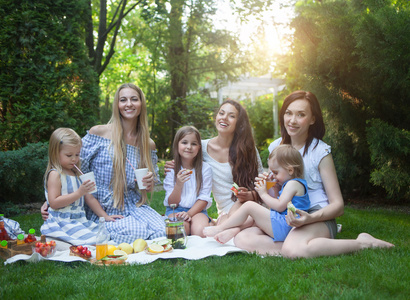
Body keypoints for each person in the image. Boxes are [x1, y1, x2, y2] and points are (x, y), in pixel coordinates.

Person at [234, 91, 394, 258]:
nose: (292, 120)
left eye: (301, 115)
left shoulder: (320, 151)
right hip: (286, 217)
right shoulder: (276, 147)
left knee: (293, 250)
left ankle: (363, 243)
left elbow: (338, 205)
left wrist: (309, 219)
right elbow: (276, 188)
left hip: (316, 216)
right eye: (288, 113)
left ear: (312, 119)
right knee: (243, 238)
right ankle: (303, 244)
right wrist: (267, 183)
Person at [42, 83, 166, 244]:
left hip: (132, 205)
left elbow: (146, 190)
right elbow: (72, 166)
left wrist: (148, 184)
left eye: (134, 99)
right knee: (137, 231)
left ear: (141, 104)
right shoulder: (98, 133)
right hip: (100, 206)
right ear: (117, 105)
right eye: (123, 100)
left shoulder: (147, 144)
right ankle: (99, 231)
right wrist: (50, 200)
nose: (129, 104)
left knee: (162, 231)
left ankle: (125, 233)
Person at [166, 100, 264, 231]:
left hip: (248, 206)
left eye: (231, 115)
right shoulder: (201, 148)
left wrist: (250, 195)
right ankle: (221, 226)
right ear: (216, 117)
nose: (224, 117)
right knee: (235, 230)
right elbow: (184, 156)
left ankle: (220, 226)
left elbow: (264, 186)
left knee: (246, 228)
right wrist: (174, 164)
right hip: (225, 212)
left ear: (239, 123)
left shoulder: (248, 150)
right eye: (221, 113)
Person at [204, 144, 310, 243]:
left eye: (275, 172)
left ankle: (219, 228)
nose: (272, 175)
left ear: (290, 170)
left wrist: (263, 193)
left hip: (287, 226)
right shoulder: (290, 184)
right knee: (252, 221)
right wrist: (274, 186)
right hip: (285, 226)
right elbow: (279, 202)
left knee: (249, 206)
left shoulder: (293, 184)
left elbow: (279, 206)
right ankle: (235, 230)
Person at [40, 128, 122, 245]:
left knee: (103, 236)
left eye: (77, 154)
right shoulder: (55, 174)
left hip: (79, 220)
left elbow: (90, 198)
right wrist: (79, 193)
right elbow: (54, 202)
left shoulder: (77, 173)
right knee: (93, 241)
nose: (74, 159)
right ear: (55, 153)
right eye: (69, 155)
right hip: (62, 222)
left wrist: (105, 216)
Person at [163, 126, 213, 237]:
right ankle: (197, 225)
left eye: (194, 144)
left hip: (197, 211)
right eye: (184, 142)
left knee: (200, 232)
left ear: (199, 148)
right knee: (177, 232)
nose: (189, 147)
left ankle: (205, 223)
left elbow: (204, 198)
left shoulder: (205, 169)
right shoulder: (172, 169)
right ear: (177, 145)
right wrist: (178, 185)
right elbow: (172, 203)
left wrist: (189, 214)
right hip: (175, 210)